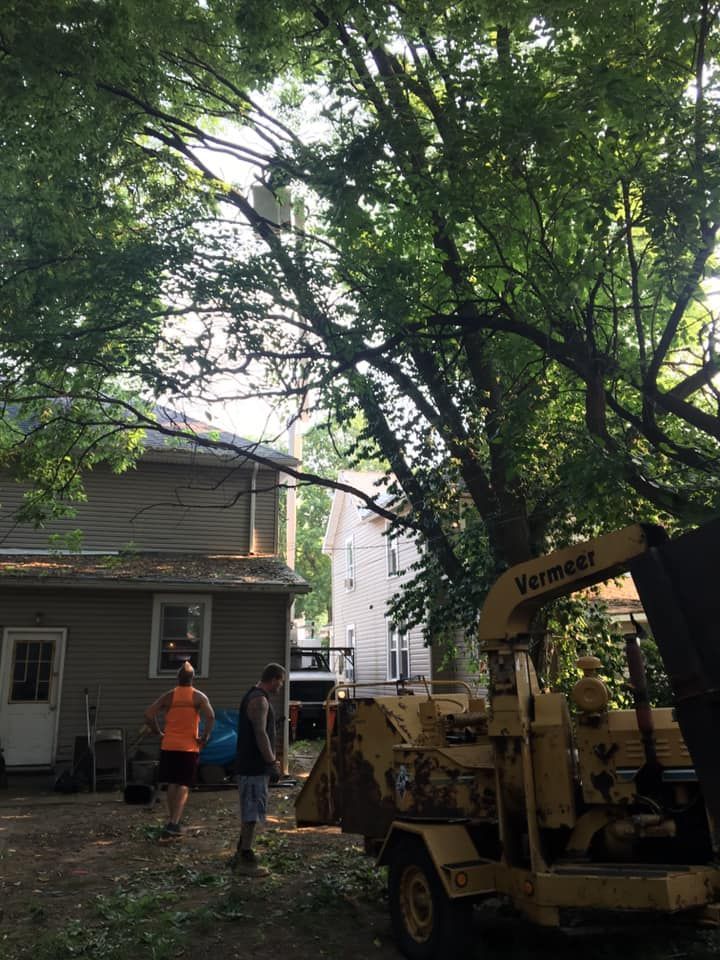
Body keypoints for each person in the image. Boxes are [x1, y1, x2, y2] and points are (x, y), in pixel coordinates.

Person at [144, 660, 215, 840]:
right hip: (188, 747)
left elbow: (149, 714)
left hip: (169, 745)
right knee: (183, 783)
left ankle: (171, 820)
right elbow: (211, 716)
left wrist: (158, 731)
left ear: (177, 678)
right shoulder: (198, 697)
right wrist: (205, 736)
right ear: (192, 678)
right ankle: (174, 823)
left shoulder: (169, 696)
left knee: (172, 783)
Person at [231, 662, 285, 877]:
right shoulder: (258, 700)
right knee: (251, 811)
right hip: (253, 766)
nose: (281, 686)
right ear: (273, 679)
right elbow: (260, 733)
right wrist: (271, 762)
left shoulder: (256, 697)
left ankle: (240, 850)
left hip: (253, 766)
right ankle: (245, 859)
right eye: (280, 681)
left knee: (251, 810)